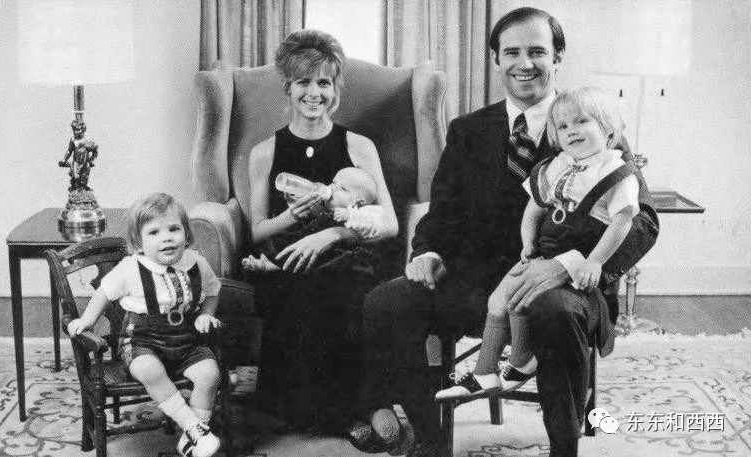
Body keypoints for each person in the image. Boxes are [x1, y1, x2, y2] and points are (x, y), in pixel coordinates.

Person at [358, 7, 659, 457]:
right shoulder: (468, 130)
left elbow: (644, 222)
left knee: (555, 312)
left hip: (565, 286)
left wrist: (569, 266)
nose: (525, 64)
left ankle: (563, 448)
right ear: (496, 59)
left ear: (558, 57)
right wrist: (428, 252)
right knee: (386, 303)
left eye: (537, 51)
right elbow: (442, 213)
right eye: (512, 52)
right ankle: (430, 439)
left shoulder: (589, 125)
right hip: (478, 283)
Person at [436, 87, 640, 401]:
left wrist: (595, 261)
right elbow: (534, 206)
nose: (572, 131)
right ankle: (486, 372)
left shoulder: (615, 172)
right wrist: (527, 242)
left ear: (608, 130)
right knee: (498, 300)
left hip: (577, 259)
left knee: (525, 300)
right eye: (563, 126)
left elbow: (623, 221)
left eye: (582, 122)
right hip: (544, 252)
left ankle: (520, 363)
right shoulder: (559, 164)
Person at [245, 29, 399, 440]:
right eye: (304, 82)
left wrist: (331, 235)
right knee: (298, 287)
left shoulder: (359, 146)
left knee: (341, 287)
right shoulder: (264, 153)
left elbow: (389, 222)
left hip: (348, 256)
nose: (314, 93)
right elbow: (258, 230)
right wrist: (290, 217)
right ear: (287, 87)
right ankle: (343, 414)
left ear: (336, 89)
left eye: (324, 83)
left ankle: (351, 411)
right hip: (287, 258)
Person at [67, 193, 224, 457]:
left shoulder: (196, 262)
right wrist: (87, 320)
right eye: (154, 232)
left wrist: (205, 314)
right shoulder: (131, 267)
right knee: (148, 369)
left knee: (210, 375)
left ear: (186, 233)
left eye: (174, 229)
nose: (166, 238)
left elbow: (212, 291)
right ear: (138, 241)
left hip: (187, 340)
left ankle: (192, 440)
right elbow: (104, 292)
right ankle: (193, 428)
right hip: (142, 341)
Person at [242, 166, 385, 272]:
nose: (332, 188)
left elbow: (370, 226)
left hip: (335, 253)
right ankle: (269, 260)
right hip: (309, 241)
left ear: (358, 202)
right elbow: (309, 212)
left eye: (341, 188)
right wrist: (294, 203)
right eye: (333, 183)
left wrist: (349, 215)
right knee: (290, 236)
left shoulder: (360, 213)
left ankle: (271, 267)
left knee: (331, 259)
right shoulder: (325, 205)